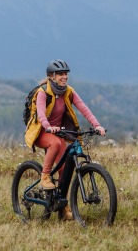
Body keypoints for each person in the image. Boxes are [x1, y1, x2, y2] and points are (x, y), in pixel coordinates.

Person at [33, 59, 105, 220]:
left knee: (64, 169)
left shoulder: (68, 91)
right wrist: (48, 126)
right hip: (42, 132)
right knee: (56, 143)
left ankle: (62, 204)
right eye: (60, 74)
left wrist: (97, 125)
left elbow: (84, 109)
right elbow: (41, 115)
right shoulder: (43, 92)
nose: (64, 77)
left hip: (58, 133)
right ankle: (44, 176)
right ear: (51, 76)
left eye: (66, 74)